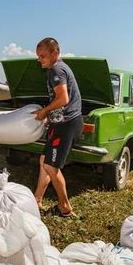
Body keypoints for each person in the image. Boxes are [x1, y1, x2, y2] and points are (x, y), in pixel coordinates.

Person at [32, 37, 83, 217]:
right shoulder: (59, 68)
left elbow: (63, 99)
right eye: (38, 56)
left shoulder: (56, 69)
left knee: (51, 167)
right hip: (61, 122)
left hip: (67, 124)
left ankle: (64, 207)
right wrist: (51, 116)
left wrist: (45, 111)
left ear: (55, 53)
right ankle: (37, 199)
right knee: (44, 160)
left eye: (43, 56)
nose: (40, 59)